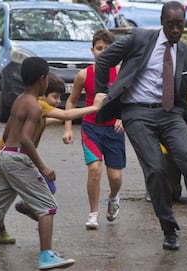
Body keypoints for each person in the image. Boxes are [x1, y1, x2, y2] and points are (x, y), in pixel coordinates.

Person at [93, 1, 187, 250]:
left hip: (170, 114)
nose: (176, 30)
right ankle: (169, 230)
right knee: (157, 170)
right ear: (162, 22)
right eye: (171, 24)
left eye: (180, 25)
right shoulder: (138, 39)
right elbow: (104, 61)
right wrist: (102, 92)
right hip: (137, 113)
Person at [0, 57, 80, 270]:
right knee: (47, 206)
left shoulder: (19, 100)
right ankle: (46, 256)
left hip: (2, 156)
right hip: (17, 158)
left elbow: (6, 134)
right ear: (43, 79)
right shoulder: (34, 106)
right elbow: (24, 138)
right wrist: (42, 167)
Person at [0, 72, 107, 244]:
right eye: (56, 97)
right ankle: (0, 226)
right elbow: (65, 115)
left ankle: (23, 209)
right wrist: (95, 108)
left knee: (13, 193)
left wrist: (55, 120)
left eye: (60, 98)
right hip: (7, 158)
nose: (58, 102)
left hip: (14, 157)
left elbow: (42, 121)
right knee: (0, 197)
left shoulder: (34, 104)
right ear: (43, 92)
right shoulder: (39, 104)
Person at [63, 29, 125, 230]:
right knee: (95, 168)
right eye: (99, 48)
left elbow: (130, 100)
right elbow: (71, 102)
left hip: (113, 131)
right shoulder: (84, 75)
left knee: (115, 177)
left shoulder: (121, 74)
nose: (103, 52)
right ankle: (93, 213)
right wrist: (68, 128)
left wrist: (122, 119)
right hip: (91, 128)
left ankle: (114, 197)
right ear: (92, 50)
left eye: (108, 49)